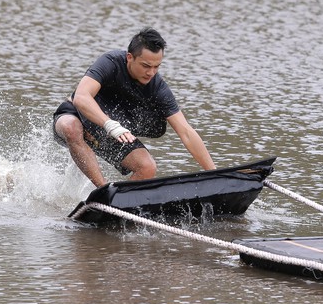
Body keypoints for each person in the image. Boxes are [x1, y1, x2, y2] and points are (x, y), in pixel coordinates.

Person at [53, 27, 216, 188]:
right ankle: (102, 191)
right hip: (78, 116)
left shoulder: (158, 87)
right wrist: (110, 124)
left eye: (156, 66)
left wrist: (215, 174)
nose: (151, 73)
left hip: (109, 132)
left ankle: (116, 202)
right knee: (70, 127)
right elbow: (81, 97)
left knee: (147, 167)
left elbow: (186, 132)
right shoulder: (111, 62)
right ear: (129, 57)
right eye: (146, 65)